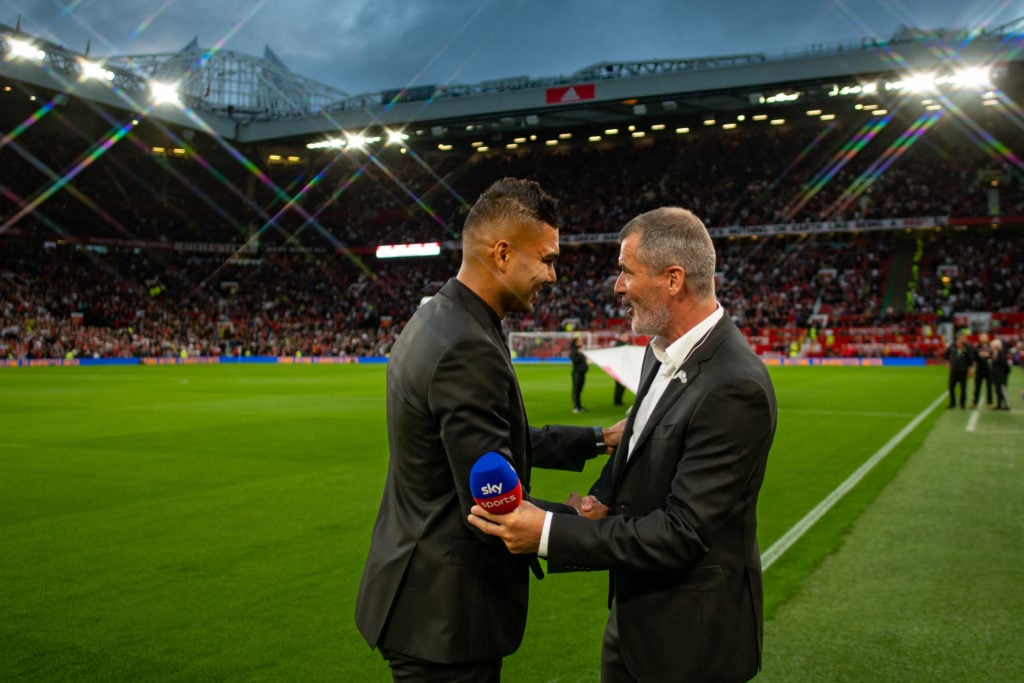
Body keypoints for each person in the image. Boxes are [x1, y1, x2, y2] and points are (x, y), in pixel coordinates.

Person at [469, 207, 778, 682]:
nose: (616, 286)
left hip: (691, 644)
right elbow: (633, 463)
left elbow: (683, 532)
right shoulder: (658, 355)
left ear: (673, 280)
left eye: (626, 272)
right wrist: (599, 501)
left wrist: (548, 533)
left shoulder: (735, 386)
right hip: (633, 621)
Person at [355, 177, 624, 682]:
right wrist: (581, 522)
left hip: (422, 595)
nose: (553, 275)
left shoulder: (442, 316)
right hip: (443, 617)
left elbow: (498, 441)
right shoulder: (466, 345)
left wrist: (597, 439)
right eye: (546, 259)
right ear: (502, 253)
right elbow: (491, 504)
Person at [946, 332, 971, 409]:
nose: (965, 339)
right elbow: (947, 355)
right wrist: (948, 363)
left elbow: (968, 358)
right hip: (954, 370)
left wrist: (962, 350)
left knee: (963, 387)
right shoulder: (952, 346)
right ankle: (952, 403)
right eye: (964, 337)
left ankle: (962, 403)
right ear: (959, 338)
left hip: (963, 370)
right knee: (951, 387)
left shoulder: (967, 347)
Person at [970, 332, 993, 409]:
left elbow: (993, 356)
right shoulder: (977, 348)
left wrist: (987, 355)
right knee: (977, 387)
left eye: (984, 337)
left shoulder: (991, 347)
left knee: (989, 387)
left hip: (989, 370)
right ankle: (974, 402)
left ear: (987, 338)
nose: (983, 339)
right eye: (982, 337)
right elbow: (974, 358)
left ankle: (990, 403)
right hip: (979, 370)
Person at [989, 337, 1011, 410]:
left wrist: (1005, 375)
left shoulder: (1001, 354)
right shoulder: (995, 354)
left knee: (1002, 390)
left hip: (1001, 375)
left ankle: (1007, 405)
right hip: (996, 375)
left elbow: (1005, 366)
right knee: (997, 390)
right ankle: (999, 405)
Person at [570, 335, 589, 413]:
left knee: (579, 390)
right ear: (576, 342)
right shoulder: (574, 351)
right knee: (576, 390)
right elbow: (575, 360)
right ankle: (576, 407)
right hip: (577, 373)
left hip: (582, 373)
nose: (581, 342)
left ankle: (579, 406)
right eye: (580, 341)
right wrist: (580, 353)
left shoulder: (579, 350)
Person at [612, 331, 630, 407]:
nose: (627, 337)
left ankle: (619, 400)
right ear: (621, 337)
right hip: (619, 368)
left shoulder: (624, 345)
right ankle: (617, 401)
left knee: (622, 385)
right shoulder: (618, 345)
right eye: (625, 336)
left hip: (623, 367)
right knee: (619, 385)